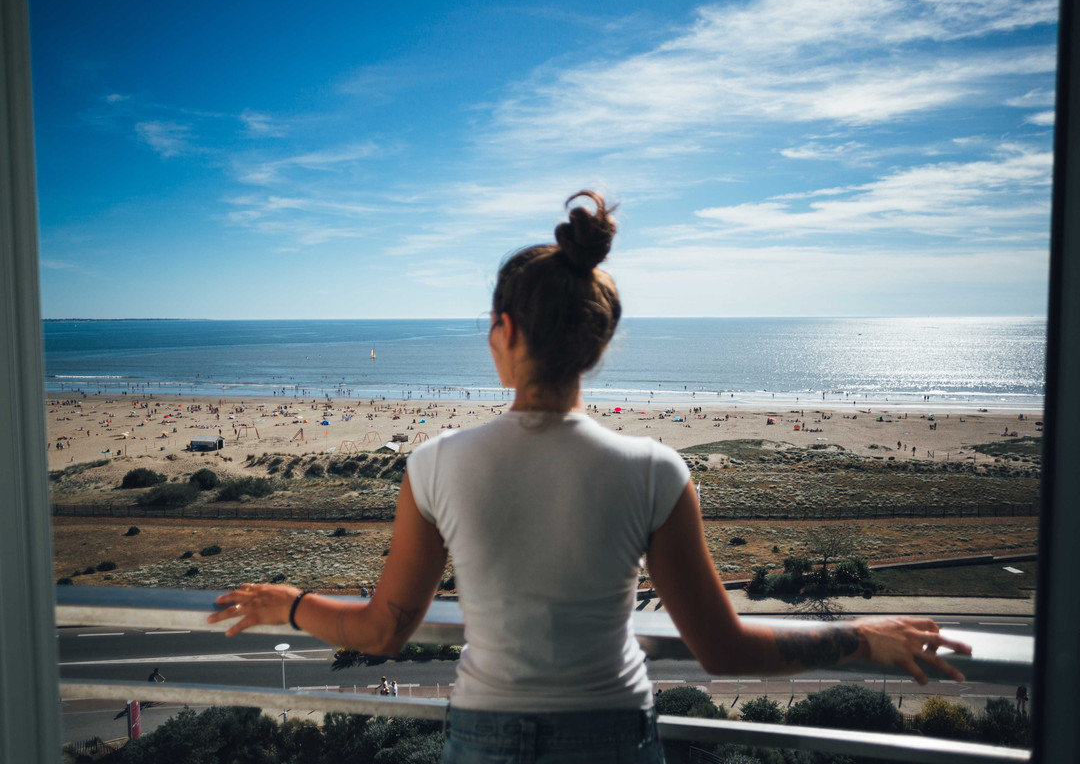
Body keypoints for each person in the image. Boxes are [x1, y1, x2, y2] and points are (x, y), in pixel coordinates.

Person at [208, 191, 972, 763]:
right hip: (614, 736)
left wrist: (292, 603)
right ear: (596, 345)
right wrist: (860, 641)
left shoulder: (436, 463)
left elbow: (381, 630)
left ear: (504, 332)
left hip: (485, 737)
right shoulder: (653, 471)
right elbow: (724, 650)